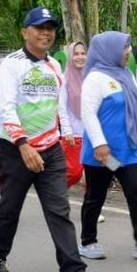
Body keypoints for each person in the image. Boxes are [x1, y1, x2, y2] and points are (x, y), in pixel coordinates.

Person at [0, 6, 103, 272]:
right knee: (10, 208)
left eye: (50, 28)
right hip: (16, 149)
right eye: (39, 28)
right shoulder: (11, 65)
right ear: (26, 32)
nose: (46, 33)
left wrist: (67, 133)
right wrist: (23, 145)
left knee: (59, 210)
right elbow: (6, 109)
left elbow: (59, 104)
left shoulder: (54, 66)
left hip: (51, 148)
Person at [77, 32, 137, 262]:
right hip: (102, 154)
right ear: (109, 50)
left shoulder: (127, 76)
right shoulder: (95, 79)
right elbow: (88, 114)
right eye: (124, 48)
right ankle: (88, 241)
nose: (129, 52)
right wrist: (100, 144)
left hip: (126, 152)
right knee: (96, 196)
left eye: (129, 47)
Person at [59, 40, 86, 188]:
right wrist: (67, 130)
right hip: (73, 136)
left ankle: (91, 209)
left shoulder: (91, 77)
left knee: (95, 173)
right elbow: (61, 107)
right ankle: (55, 191)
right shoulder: (66, 79)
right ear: (70, 56)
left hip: (91, 134)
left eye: (83, 53)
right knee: (74, 172)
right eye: (76, 54)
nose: (80, 57)